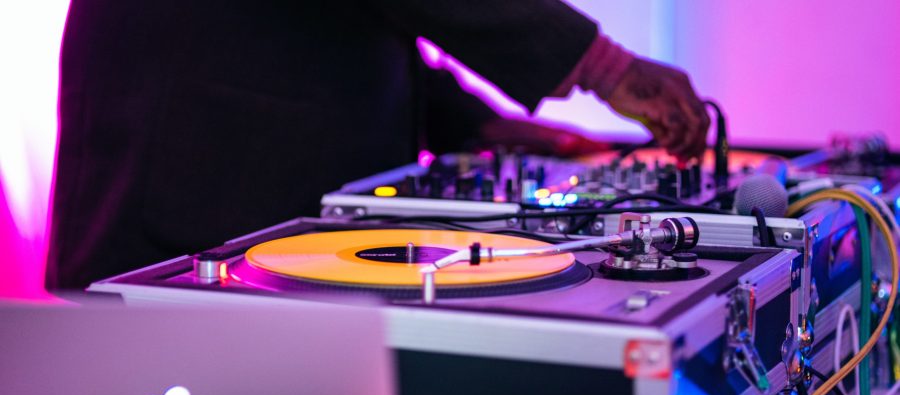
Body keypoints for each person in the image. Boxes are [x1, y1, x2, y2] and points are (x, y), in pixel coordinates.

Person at [46, 0, 709, 291]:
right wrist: (602, 64)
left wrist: (474, 125)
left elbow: (350, 20)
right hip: (196, 165)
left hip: (235, 163)